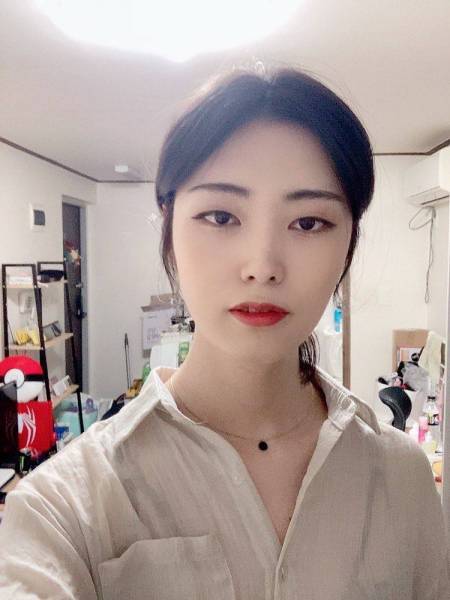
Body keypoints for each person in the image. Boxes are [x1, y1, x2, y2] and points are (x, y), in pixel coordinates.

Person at [0, 61, 449, 599]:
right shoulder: (64, 508)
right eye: (220, 216)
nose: (262, 266)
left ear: (349, 241)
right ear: (169, 227)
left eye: (309, 222)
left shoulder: (401, 478)